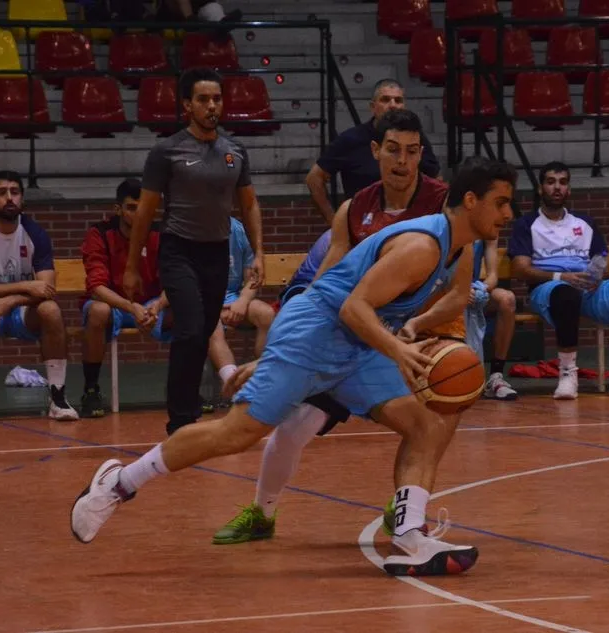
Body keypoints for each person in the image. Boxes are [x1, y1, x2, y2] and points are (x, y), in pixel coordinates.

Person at [70, 156, 517, 578]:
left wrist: (413, 328)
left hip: (356, 342)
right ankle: (119, 483)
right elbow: (353, 307)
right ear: (471, 201)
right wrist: (398, 352)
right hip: (316, 331)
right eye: (501, 202)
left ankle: (409, 535)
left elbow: (450, 299)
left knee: (424, 425)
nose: (508, 213)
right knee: (236, 433)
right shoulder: (421, 246)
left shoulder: (460, 247)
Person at [211, 108, 451, 545]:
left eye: (412, 151)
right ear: (376, 151)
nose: (403, 161)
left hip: (405, 335)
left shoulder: (441, 205)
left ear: (421, 154)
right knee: (292, 429)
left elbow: (456, 281)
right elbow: (324, 287)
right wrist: (280, 353)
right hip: (346, 333)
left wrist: (417, 323)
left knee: (434, 420)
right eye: (394, 150)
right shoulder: (356, 208)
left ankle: (406, 513)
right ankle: (263, 513)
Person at [124, 67, 265, 437]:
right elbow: (146, 211)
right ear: (187, 105)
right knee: (188, 329)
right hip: (178, 249)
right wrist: (132, 265)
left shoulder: (235, 151)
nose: (212, 106)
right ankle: (180, 420)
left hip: (217, 252)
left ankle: (189, 409)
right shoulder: (166, 151)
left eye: (217, 98)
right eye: (203, 99)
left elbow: (249, 204)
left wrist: (258, 253)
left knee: (202, 333)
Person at [510, 162, 609, 400]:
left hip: (588, 288)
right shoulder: (527, 224)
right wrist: (561, 277)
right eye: (551, 182)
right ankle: (567, 375)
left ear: (569, 189)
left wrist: (597, 276)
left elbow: (602, 259)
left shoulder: (584, 222)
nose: (557, 188)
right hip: (548, 288)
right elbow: (520, 269)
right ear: (540, 188)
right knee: (567, 295)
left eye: (563, 182)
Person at [0, 170, 78, 425]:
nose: (9, 198)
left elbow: (46, 289)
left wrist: (9, 301)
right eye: (2, 192)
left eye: (15, 192)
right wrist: (24, 287)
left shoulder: (35, 233)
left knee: (51, 310)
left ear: (22, 198)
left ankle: (58, 398)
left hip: (18, 308)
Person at [79, 178, 171, 418]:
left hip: (151, 304)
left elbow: (174, 281)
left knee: (186, 309)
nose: (138, 214)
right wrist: (132, 308)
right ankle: (91, 390)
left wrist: (158, 305)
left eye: (143, 208)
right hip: (113, 304)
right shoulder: (99, 233)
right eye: (131, 207)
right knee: (98, 311)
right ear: (118, 209)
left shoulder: (162, 234)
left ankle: (183, 389)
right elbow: (97, 287)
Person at [305, 78, 440, 223]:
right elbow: (314, 178)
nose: (393, 105)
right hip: (362, 225)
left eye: (398, 100)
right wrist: (334, 222)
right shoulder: (350, 139)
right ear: (372, 106)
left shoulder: (416, 138)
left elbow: (436, 179)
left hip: (408, 224)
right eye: (385, 100)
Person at [207, 216, 275, 393]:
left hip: (233, 298)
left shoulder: (239, 231)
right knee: (211, 325)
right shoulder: (192, 229)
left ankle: (264, 378)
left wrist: (242, 302)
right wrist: (215, 309)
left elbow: (252, 278)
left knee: (266, 314)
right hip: (202, 302)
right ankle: (233, 383)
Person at [470, 239, 519, 400]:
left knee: (507, 299)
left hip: (472, 290)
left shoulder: (489, 230)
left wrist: (479, 289)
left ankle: (496, 376)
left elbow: (492, 277)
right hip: (445, 290)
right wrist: (459, 290)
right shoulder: (444, 227)